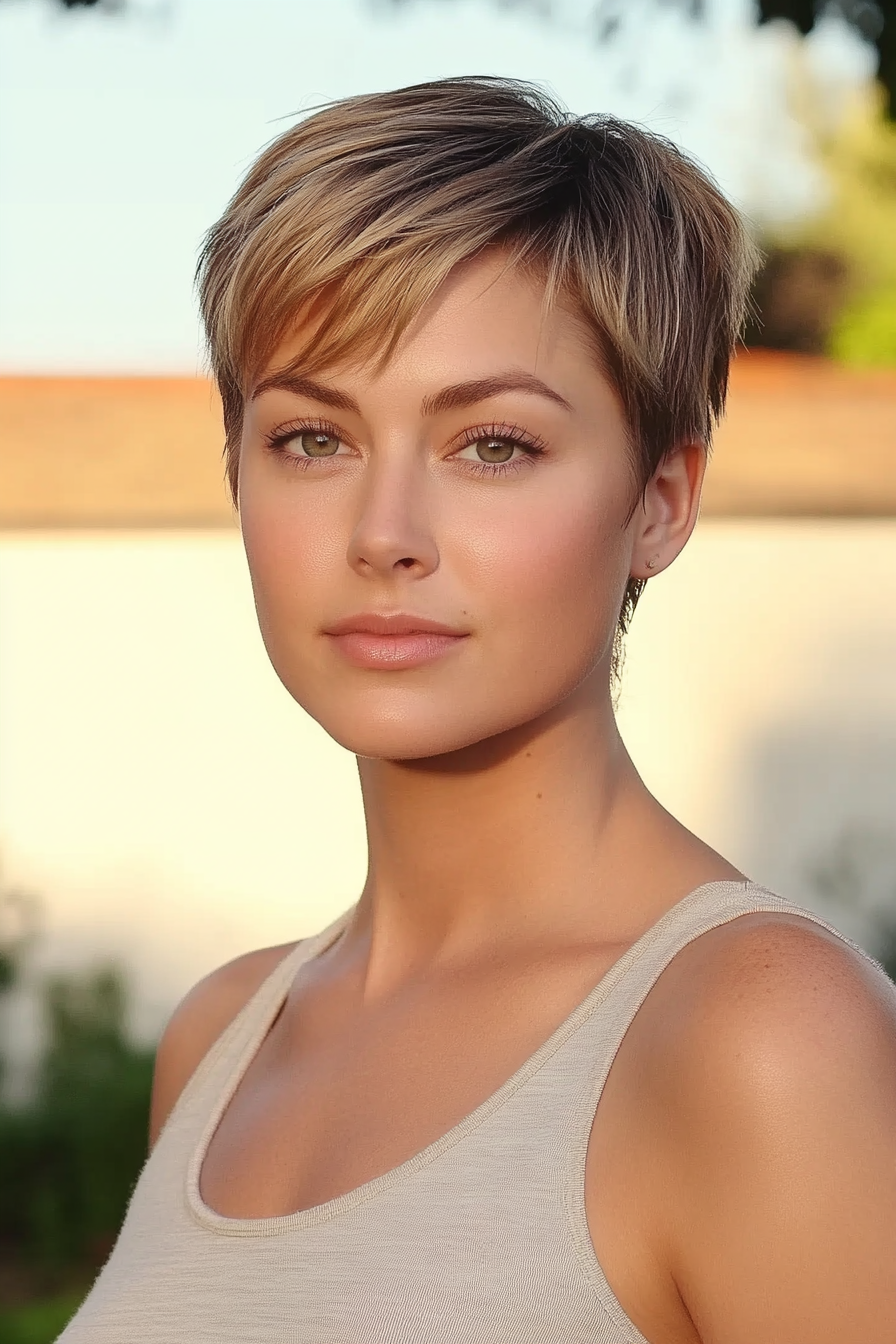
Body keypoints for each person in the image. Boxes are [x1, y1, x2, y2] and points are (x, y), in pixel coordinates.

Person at [58, 77, 896, 1344]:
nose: (383, 535)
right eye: (311, 439)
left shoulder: (754, 1037)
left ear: (660, 503)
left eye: (491, 444)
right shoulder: (223, 1037)